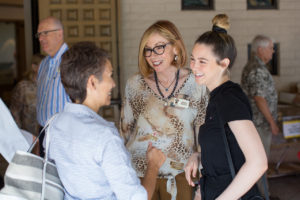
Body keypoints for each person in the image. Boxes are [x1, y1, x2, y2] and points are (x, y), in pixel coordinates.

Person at [48, 41, 166, 200]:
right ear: (92, 82)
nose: (113, 84)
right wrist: (153, 165)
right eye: (109, 76)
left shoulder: (55, 124)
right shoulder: (104, 136)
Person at [120, 20, 208, 200]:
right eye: (148, 49)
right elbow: (125, 133)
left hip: (181, 175)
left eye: (159, 47)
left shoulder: (196, 84)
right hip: (140, 175)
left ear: (176, 48)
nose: (153, 55)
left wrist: (203, 173)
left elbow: (203, 130)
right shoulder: (135, 85)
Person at [185, 14, 268, 200]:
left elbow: (258, 162)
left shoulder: (230, 98)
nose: (194, 67)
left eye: (202, 62)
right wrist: (199, 156)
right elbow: (227, 148)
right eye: (193, 59)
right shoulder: (215, 98)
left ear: (224, 64)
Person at [241, 35, 279, 198]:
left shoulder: (255, 66)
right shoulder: (256, 69)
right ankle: (262, 196)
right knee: (260, 163)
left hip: (256, 124)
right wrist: (272, 122)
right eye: (271, 48)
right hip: (259, 125)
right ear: (260, 49)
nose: (273, 51)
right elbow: (259, 98)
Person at [36, 16, 71, 156]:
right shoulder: (43, 64)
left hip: (65, 134)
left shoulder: (72, 61)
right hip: (44, 133)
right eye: (39, 34)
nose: (41, 38)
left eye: (45, 33)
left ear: (60, 33)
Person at [10, 54, 45, 136]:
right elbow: (15, 113)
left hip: (46, 137)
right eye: (44, 66)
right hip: (27, 137)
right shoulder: (23, 87)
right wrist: (18, 135)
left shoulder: (50, 87)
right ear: (34, 67)